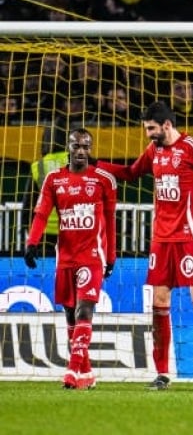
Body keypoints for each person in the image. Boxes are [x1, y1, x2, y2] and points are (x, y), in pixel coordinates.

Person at [96, 101, 193, 391]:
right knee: (159, 305)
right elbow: (132, 173)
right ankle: (162, 373)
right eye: (147, 129)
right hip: (161, 240)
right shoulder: (154, 151)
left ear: (167, 125)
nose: (148, 134)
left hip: (190, 238)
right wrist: (96, 165)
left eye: (151, 129)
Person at [24, 128, 117, 390]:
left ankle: (72, 372)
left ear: (91, 149)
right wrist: (32, 242)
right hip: (64, 256)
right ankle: (86, 374)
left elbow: (110, 221)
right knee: (70, 317)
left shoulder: (103, 180)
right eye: (76, 146)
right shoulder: (54, 179)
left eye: (86, 147)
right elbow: (41, 213)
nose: (81, 151)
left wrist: (111, 256)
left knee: (84, 310)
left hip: (92, 256)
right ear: (69, 147)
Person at [22, 121, 70, 257]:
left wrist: (29, 234)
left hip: (44, 231)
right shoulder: (76, 161)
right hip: (71, 229)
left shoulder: (38, 166)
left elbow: (28, 203)